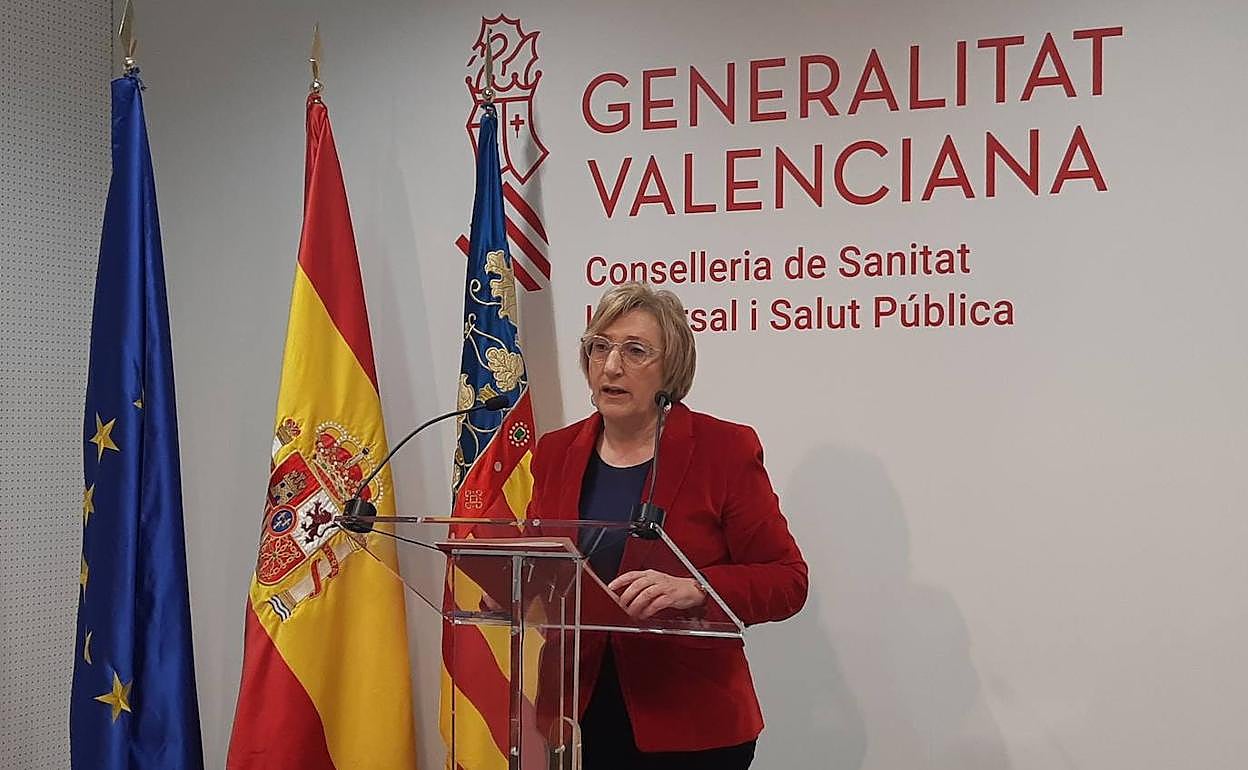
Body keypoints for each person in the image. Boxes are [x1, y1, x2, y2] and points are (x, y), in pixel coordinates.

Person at [526, 282, 808, 769]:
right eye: (599, 347)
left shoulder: (723, 450)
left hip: (691, 722)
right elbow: (541, 563)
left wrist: (696, 589)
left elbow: (787, 581)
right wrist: (508, 583)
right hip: (577, 715)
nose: (611, 366)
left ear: (671, 368)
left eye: (635, 351)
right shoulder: (556, 451)